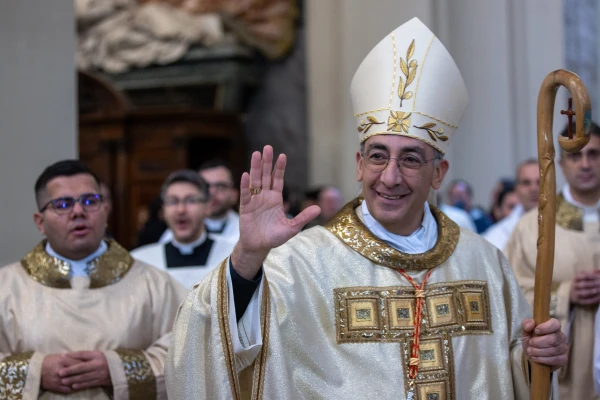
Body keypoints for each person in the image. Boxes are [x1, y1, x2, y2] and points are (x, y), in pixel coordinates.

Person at [166, 18, 567, 399]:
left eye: (410, 159)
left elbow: (506, 372)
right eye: (378, 156)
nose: (390, 177)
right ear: (359, 165)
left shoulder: (484, 264)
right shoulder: (301, 265)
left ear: (439, 173)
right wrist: (247, 257)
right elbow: (205, 337)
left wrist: (536, 360)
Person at [0, 160, 187, 399]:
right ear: (40, 222)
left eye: (90, 201)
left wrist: (117, 370)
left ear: (105, 212)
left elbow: (189, 355)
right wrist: (33, 374)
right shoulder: (7, 288)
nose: (78, 212)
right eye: (63, 204)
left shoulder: (155, 285)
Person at [506, 123, 600, 400]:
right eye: (575, 155)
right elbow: (511, 299)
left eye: (593, 154)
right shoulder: (532, 227)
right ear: (561, 163)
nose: (585, 164)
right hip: (571, 376)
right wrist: (566, 292)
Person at [131, 170, 236, 289]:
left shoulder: (231, 258)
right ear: (163, 210)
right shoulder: (141, 261)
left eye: (190, 200)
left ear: (207, 206)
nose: (181, 209)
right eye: (172, 201)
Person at [160, 159, 240, 243]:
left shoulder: (245, 230)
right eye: (205, 186)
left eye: (220, 186)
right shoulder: (173, 235)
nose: (211, 192)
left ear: (234, 195)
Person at [484, 159, 539, 251]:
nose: (534, 189)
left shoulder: (568, 227)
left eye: (540, 182)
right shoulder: (496, 237)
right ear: (516, 189)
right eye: (526, 183)